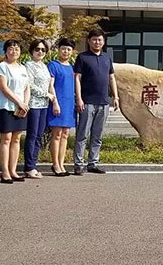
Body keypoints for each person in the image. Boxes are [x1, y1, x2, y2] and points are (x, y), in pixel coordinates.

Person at [73, 29, 119, 175]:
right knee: (82, 134)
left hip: (104, 102)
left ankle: (93, 163)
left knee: (97, 135)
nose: (97, 42)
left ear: (103, 42)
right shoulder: (82, 57)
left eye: (99, 40)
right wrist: (79, 98)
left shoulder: (107, 58)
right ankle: (78, 164)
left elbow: (111, 78)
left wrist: (115, 97)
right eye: (94, 39)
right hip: (87, 102)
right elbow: (77, 78)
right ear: (89, 41)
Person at [0, 40, 30, 184]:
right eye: (10, 48)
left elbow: (27, 87)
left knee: (17, 139)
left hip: (21, 107)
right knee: (6, 138)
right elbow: (3, 88)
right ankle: (5, 172)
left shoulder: (23, 68)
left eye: (17, 49)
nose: (14, 51)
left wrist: (25, 104)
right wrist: (18, 102)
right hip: (6, 106)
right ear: (5, 51)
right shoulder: (2, 66)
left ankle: (13, 170)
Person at [24, 39, 56, 179]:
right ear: (32, 51)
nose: (40, 52)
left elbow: (49, 84)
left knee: (38, 136)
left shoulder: (44, 66)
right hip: (33, 105)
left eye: (43, 50)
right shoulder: (29, 65)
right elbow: (29, 85)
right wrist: (46, 94)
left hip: (44, 105)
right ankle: (29, 167)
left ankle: (33, 165)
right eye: (37, 49)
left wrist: (52, 98)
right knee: (32, 136)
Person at [47, 38, 75, 176]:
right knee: (57, 134)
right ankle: (55, 164)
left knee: (65, 134)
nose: (66, 51)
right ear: (58, 50)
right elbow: (50, 85)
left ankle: (62, 163)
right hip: (58, 102)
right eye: (63, 48)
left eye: (69, 49)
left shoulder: (72, 67)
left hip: (69, 104)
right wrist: (55, 102)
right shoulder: (53, 65)